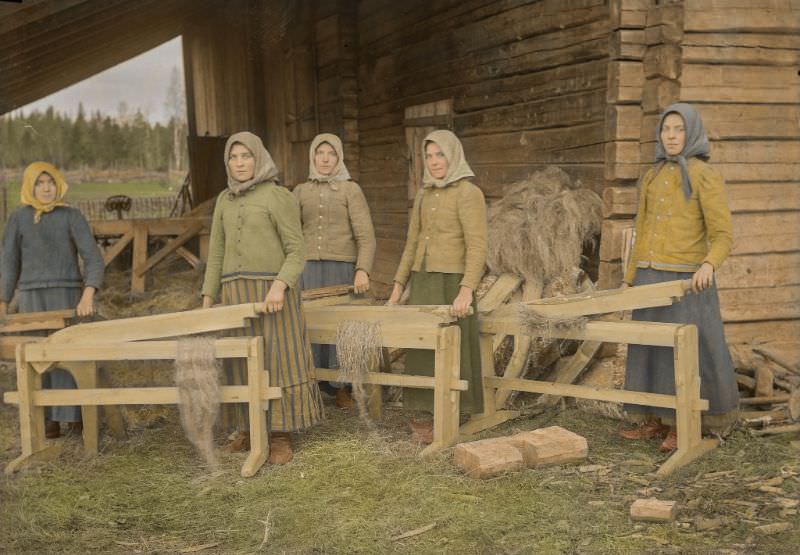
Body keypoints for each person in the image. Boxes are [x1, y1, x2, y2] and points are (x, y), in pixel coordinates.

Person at [620, 103, 739, 451]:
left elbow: (723, 235)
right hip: (648, 277)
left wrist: (708, 265)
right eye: (666, 130)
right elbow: (639, 230)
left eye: (679, 129)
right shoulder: (652, 176)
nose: (671, 136)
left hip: (687, 283)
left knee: (686, 353)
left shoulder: (705, 175)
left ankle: (683, 422)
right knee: (649, 348)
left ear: (692, 133)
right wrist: (630, 277)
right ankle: (655, 419)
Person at [201, 131, 323, 464]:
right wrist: (209, 297)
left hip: (273, 295)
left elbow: (297, 251)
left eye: (246, 156)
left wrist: (280, 285)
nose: (240, 163)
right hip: (235, 294)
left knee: (277, 360)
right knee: (239, 362)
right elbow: (216, 253)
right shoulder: (224, 200)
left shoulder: (278, 196)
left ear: (259, 158)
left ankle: (281, 433)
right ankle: (248, 428)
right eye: (233, 157)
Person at [388, 129, 487, 443]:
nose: (433, 162)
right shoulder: (424, 194)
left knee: (454, 348)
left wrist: (466, 289)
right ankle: (426, 411)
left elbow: (477, 246)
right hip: (424, 281)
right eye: (428, 156)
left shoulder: (469, 193)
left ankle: (456, 412)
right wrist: (397, 287)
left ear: (453, 155)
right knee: (422, 347)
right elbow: (411, 243)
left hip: (452, 284)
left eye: (439, 154)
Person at [0, 162, 103, 439]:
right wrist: (3, 301)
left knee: (67, 357)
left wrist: (88, 292)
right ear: (30, 186)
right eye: (39, 183)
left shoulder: (72, 216)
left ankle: (75, 415)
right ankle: (46, 419)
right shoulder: (18, 218)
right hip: (32, 299)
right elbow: (9, 263)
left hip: (67, 295)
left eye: (50, 182)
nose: (46, 188)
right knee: (37, 357)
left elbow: (93, 257)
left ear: (58, 184)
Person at [294, 133, 376, 409]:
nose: (325, 158)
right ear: (313, 157)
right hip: (308, 271)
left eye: (331, 153)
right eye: (320, 153)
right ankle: (314, 385)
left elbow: (366, 236)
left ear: (338, 157)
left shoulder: (350, 190)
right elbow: (291, 235)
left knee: (341, 328)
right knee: (311, 326)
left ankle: (343, 388)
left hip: (341, 269)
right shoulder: (300, 191)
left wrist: (362, 269)